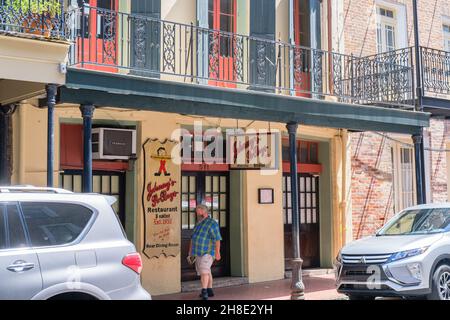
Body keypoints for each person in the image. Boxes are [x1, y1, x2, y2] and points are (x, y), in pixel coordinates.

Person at [188, 204, 222, 300]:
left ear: (203, 211)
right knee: (206, 271)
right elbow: (192, 238)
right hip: (197, 252)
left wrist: (217, 252)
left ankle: (204, 292)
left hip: (208, 251)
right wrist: (190, 251)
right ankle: (210, 290)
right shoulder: (198, 223)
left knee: (204, 271)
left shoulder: (212, 223)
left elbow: (217, 239)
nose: (196, 212)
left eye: (198, 210)